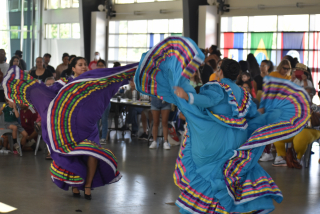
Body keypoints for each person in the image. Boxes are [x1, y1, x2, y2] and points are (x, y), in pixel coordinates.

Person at [134, 36, 310, 214]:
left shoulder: (217, 88)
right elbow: (252, 115)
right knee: (228, 173)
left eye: (219, 69)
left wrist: (188, 97)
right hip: (237, 140)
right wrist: (266, 116)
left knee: (210, 171)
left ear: (221, 71)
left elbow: (208, 100)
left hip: (215, 137)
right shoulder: (243, 93)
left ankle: (210, 207)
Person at [3, 57, 139, 199]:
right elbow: (48, 94)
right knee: (75, 154)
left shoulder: (93, 80)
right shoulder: (65, 83)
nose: (84, 67)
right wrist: (35, 93)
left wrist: (125, 75)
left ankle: (87, 186)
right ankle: (76, 185)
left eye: (85, 64)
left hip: (90, 127)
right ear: (73, 68)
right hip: (69, 129)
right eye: (80, 65)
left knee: (92, 154)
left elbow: (109, 83)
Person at [272, 87, 319, 168]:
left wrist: (313, 113)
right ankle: (281, 158)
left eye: (308, 93)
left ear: (313, 95)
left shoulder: (315, 107)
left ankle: (298, 158)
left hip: (313, 130)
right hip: (295, 129)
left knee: (301, 137)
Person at [96, 59, 111, 144]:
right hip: (96, 102)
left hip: (105, 101)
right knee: (96, 120)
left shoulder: (108, 77)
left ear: (105, 66)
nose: (100, 67)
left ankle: (103, 137)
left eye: (102, 65)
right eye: (99, 65)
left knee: (104, 119)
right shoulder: (95, 76)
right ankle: (97, 136)